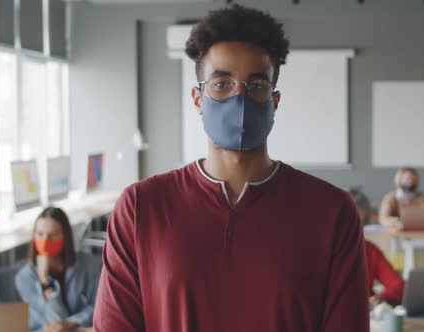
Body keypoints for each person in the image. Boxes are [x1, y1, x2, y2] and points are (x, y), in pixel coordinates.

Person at [93, 4, 368, 332]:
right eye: (222, 84)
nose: (239, 99)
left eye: (256, 86)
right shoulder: (141, 208)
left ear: (274, 101)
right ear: (198, 99)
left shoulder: (332, 212)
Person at [15, 207, 98, 332]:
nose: (45, 241)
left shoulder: (89, 265)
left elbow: (97, 305)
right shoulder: (25, 277)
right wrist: (45, 281)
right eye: (40, 234)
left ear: (66, 236)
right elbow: (55, 321)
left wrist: (72, 323)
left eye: (53, 235)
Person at [349, 188, 404, 308]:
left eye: (360, 223)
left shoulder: (369, 250)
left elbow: (398, 285)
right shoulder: (321, 251)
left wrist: (380, 298)